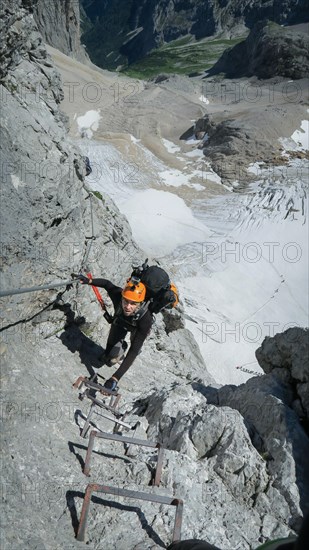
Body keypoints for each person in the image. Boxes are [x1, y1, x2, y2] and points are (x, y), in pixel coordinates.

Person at [78, 274, 153, 390]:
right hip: (121, 322)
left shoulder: (145, 319)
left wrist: (115, 378)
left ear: (140, 303)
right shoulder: (118, 296)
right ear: (122, 298)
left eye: (133, 303)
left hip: (137, 328)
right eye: (126, 301)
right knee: (109, 359)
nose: (128, 306)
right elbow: (107, 284)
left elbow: (133, 352)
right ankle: (121, 346)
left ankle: (126, 344)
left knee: (136, 346)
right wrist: (90, 281)